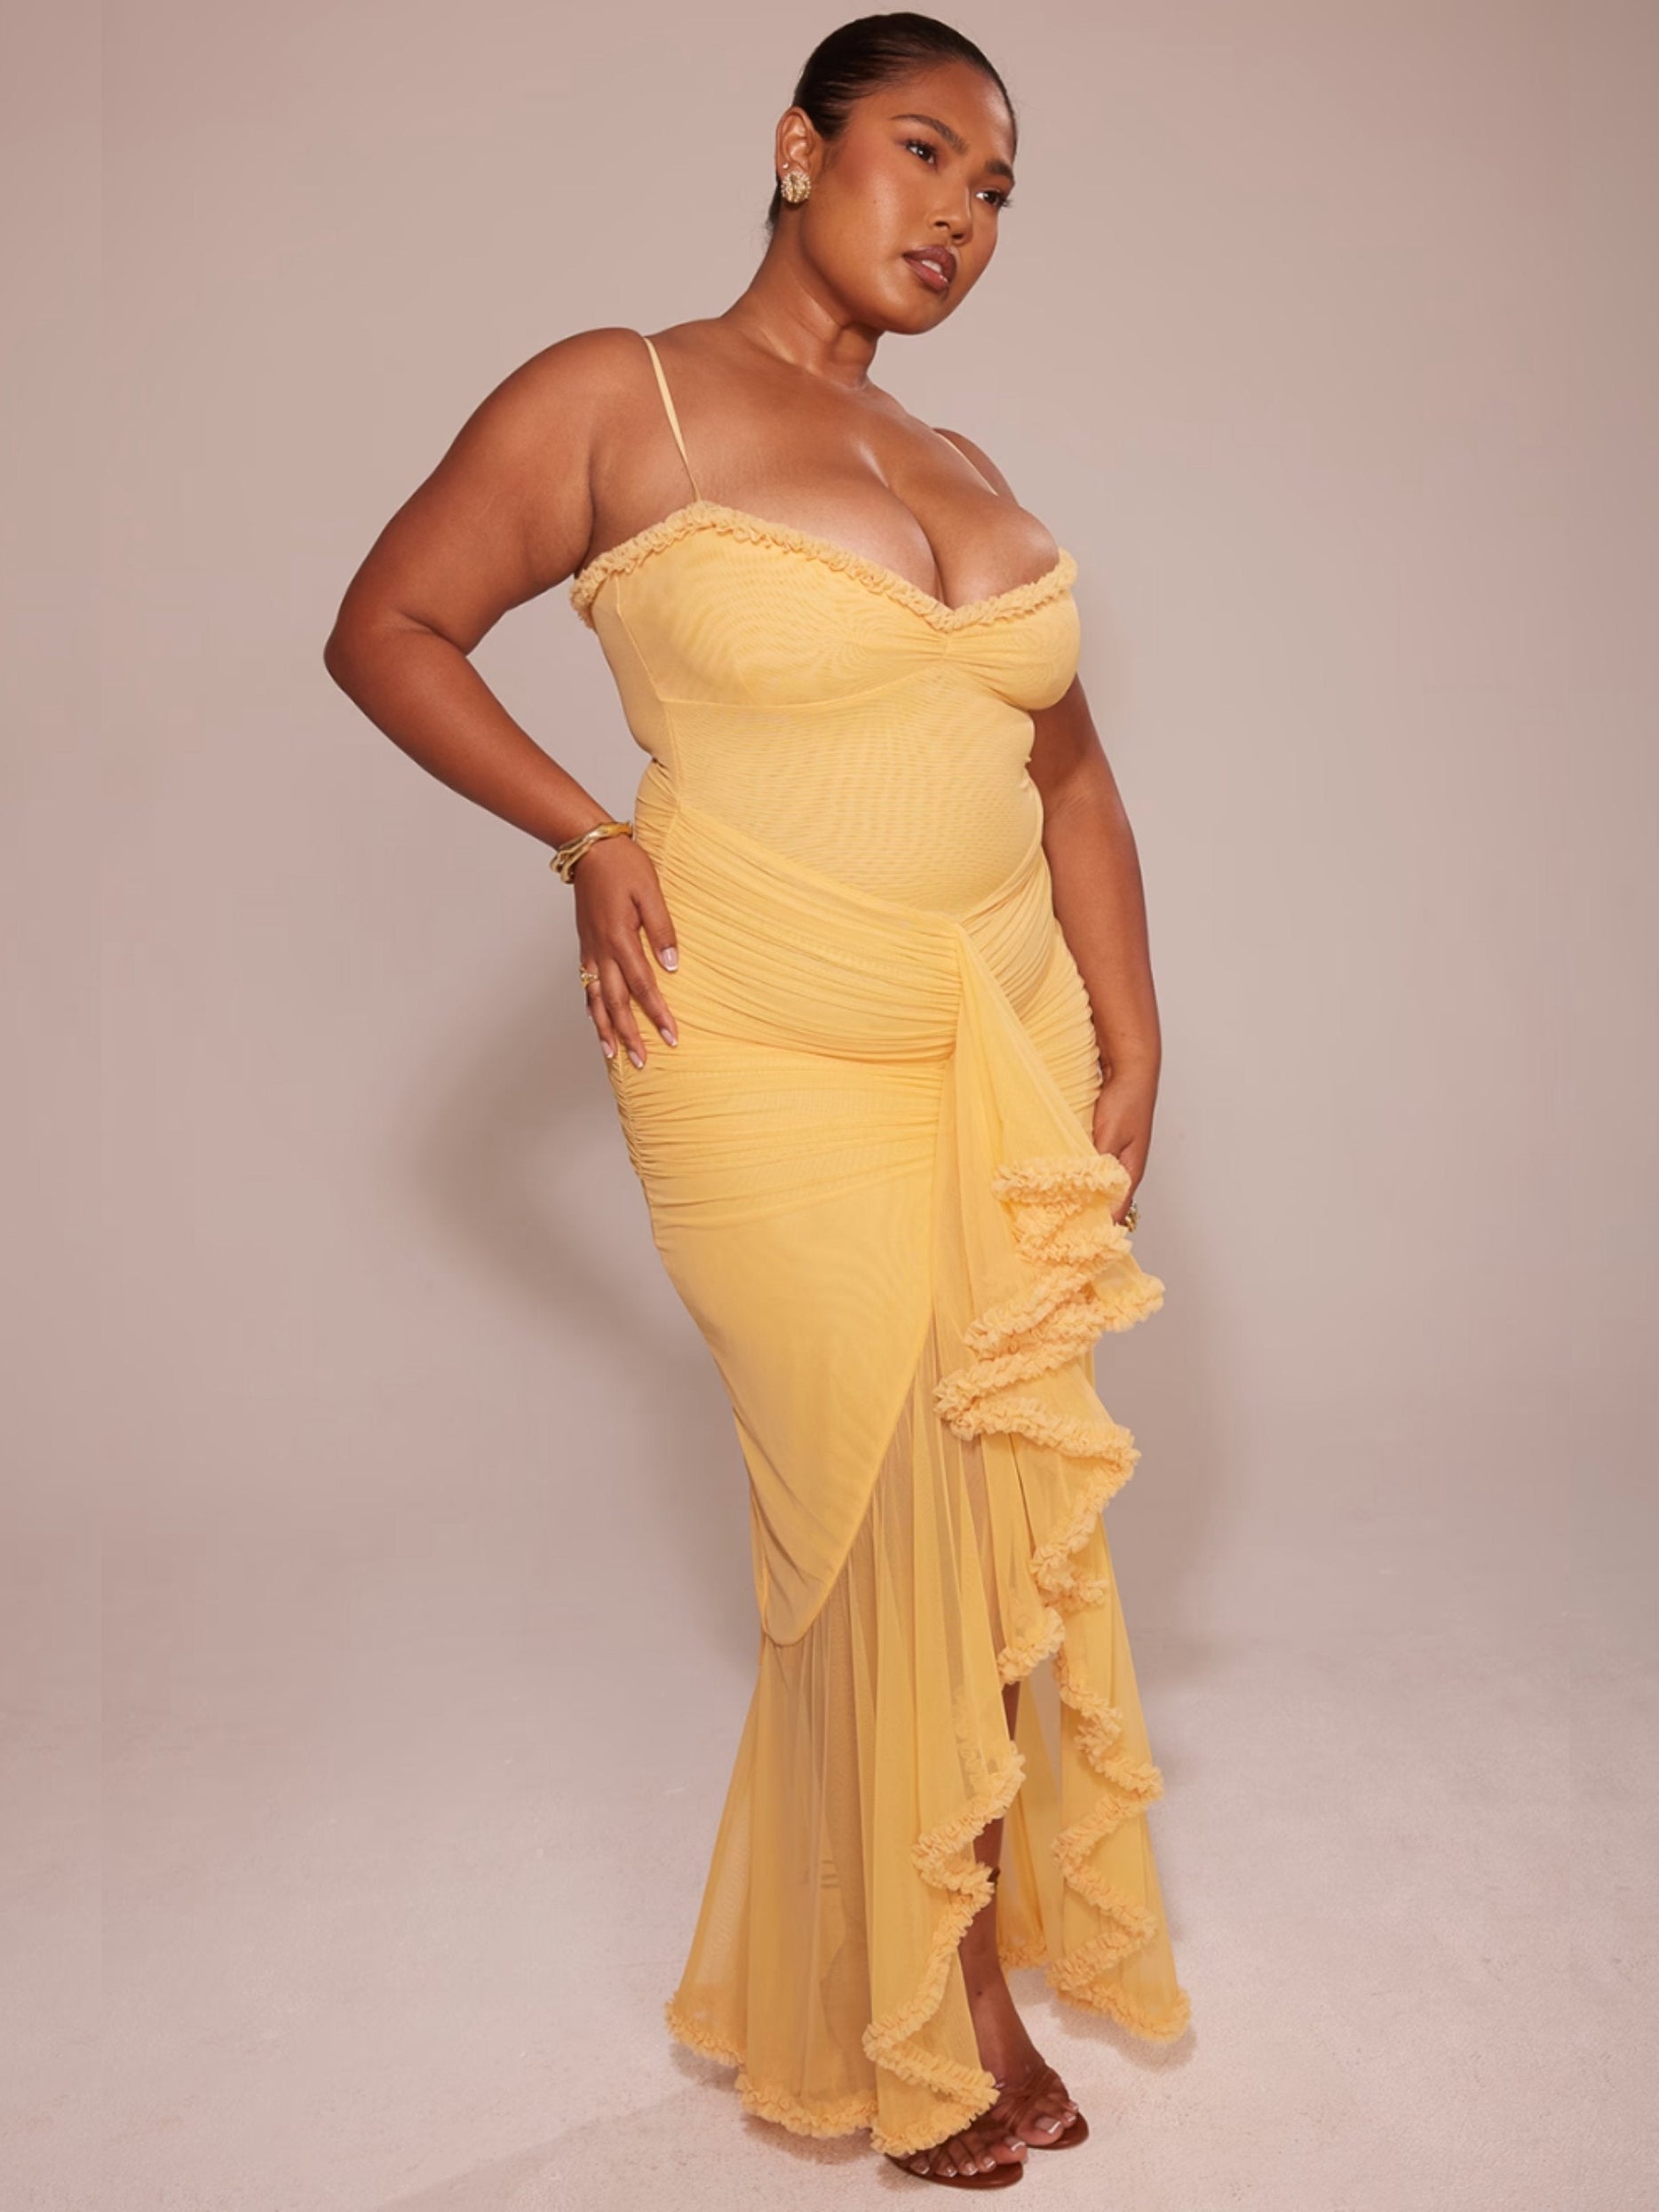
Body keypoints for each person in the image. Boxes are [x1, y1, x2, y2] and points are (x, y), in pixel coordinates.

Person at [323, 11, 1191, 2189]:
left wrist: (1133, 1032)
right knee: (873, 1494)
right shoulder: (615, 393)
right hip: (762, 1041)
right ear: (799, 149)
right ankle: (948, 1998)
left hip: (1001, 1038)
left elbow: (1070, 774)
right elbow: (391, 623)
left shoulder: (963, 463)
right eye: (926, 151)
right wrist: (584, 833)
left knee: (978, 1494)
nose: (962, 215)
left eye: (997, 189)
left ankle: (910, 1946)